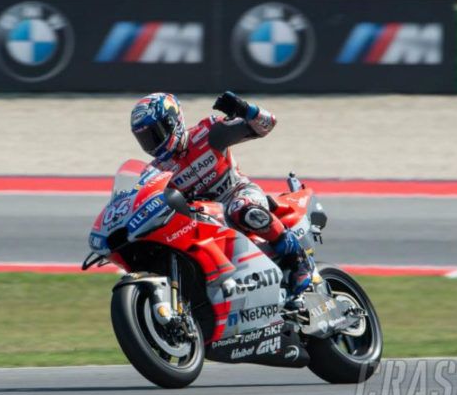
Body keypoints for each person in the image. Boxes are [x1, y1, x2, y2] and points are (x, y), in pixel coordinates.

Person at [130, 91, 320, 296]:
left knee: (241, 208)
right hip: (203, 215)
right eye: (145, 139)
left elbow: (268, 124)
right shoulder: (155, 171)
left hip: (238, 193)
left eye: (154, 134)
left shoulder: (206, 133)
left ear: (172, 122)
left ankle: (298, 259)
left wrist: (245, 110)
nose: (151, 143)